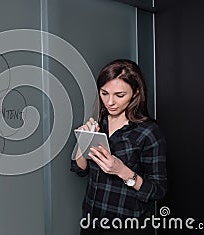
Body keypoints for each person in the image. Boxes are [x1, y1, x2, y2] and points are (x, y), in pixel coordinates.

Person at [71, 59, 167, 235]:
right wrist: (83, 141)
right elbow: (79, 169)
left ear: (135, 93)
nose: (110, 102)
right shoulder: (100, 122)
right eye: (104, 93)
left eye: (119, 95)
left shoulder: (148, 132)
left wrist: (122, 171)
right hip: (92, 222)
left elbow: (158, 191)